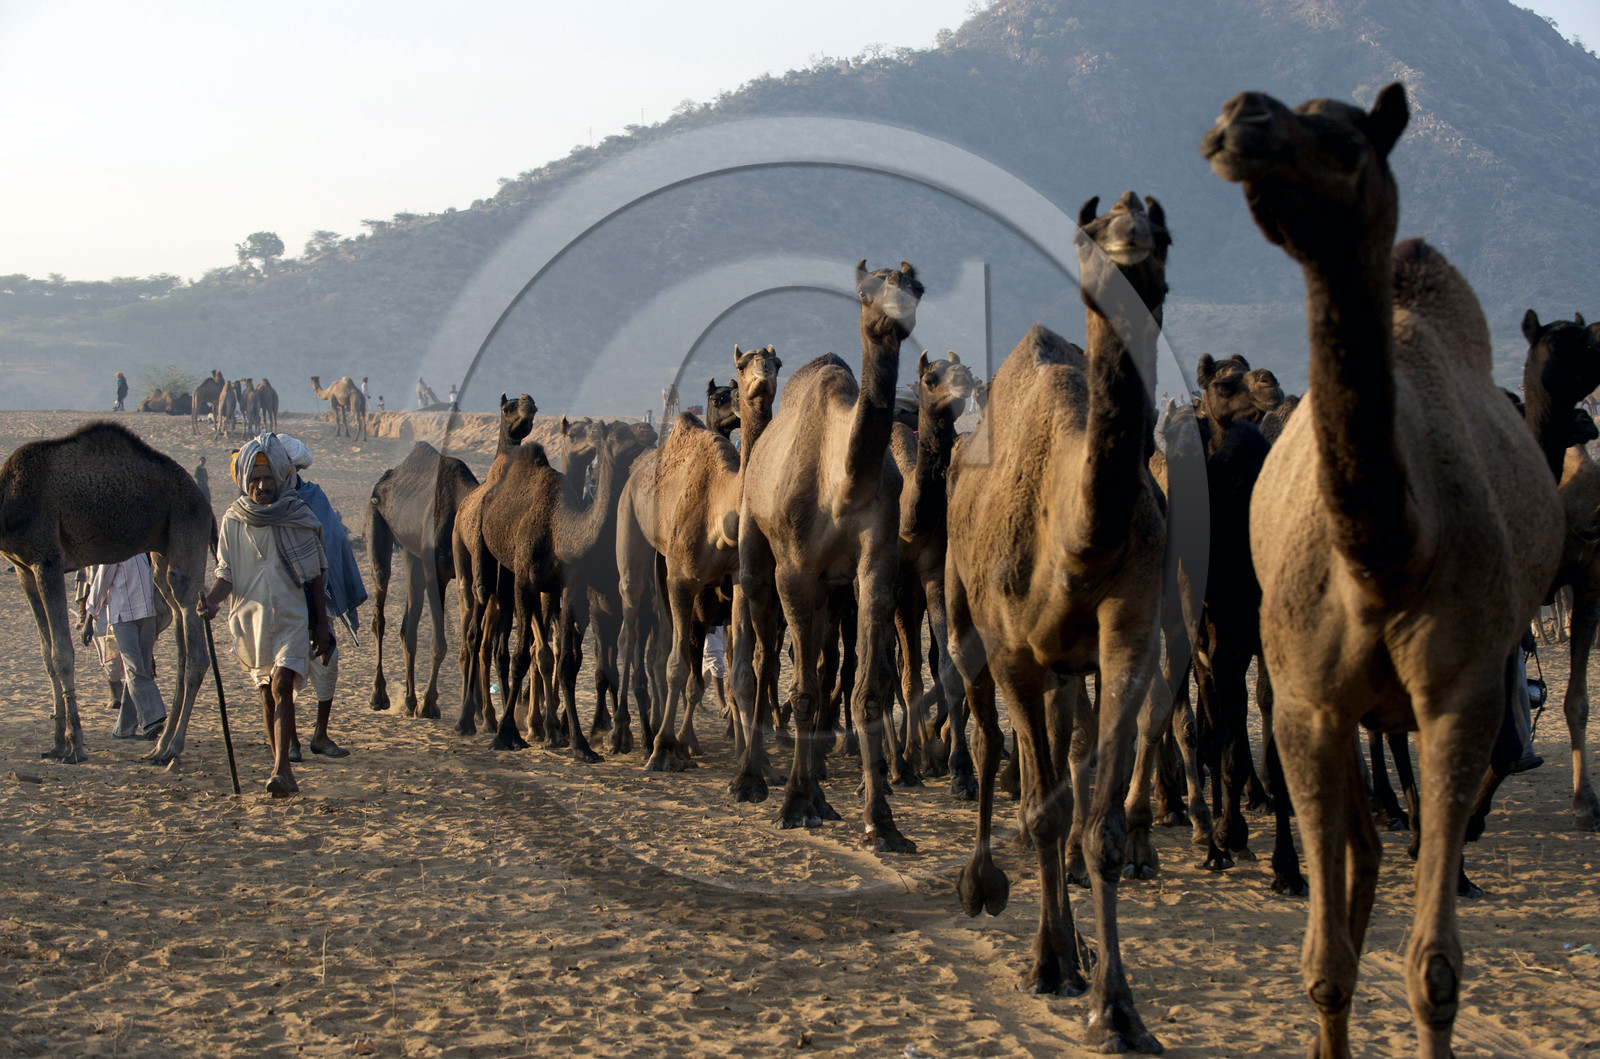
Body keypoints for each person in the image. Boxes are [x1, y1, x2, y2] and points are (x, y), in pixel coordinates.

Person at [198, 434, 331, 797]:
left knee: (282, 685)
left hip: (291, 616)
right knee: (267, 694)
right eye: (255, 479)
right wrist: (211, 602)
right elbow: (226, 574)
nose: (261, 485)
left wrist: (322, 622)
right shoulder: (233, 522)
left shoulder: (298, 517)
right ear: (244, 481)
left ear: (281, 478)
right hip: (251, 620)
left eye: (268, 478)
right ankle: (281, 766)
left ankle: (281, 768)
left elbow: (317, 572)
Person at [274, 433, 365, 760]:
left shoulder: (313, 498)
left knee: (327, 661)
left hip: (315, 596)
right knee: (282, 669)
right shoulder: (261, 504)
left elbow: (332, 544)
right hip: (278, 599)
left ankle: (320, 735)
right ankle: (291, 740)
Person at [82, 554, 167, 741]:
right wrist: (89, 618)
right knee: (134, 668)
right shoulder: (119, 550)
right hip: (122, 617)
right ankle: (153, 716)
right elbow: (101, 582)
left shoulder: (151, 550)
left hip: (148, 615)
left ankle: (123, 729)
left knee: (139, 670)